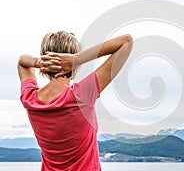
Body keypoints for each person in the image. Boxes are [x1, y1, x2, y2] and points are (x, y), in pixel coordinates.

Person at [18, 31, 133, 171]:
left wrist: (39, 62)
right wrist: (77, 59)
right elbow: (125, 42)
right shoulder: (82, 95)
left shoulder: (30, 99)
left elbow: (22, 62)